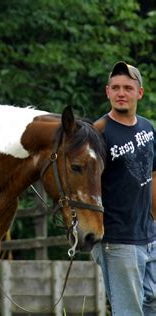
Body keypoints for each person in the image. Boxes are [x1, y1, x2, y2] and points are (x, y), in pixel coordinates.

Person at [92, 61, 156, 315]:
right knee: (129, 310)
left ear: (139, 93)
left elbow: (153, 173)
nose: (121, 93)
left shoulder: (148, 128)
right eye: (115, 87)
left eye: (128, 88)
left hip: (149, 234)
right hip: (117, 238)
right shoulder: (98, 132)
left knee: (151, 303)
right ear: (107, 92)